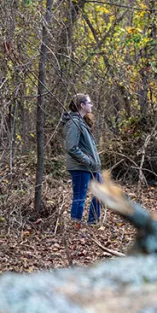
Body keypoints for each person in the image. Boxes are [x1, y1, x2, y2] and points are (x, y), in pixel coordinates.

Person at [61, 93, 102, 225]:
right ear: (82, 105)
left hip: (90, 167)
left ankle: (93, 222)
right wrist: (87, 160)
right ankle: (75, 226)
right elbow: (71, 147)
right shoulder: (74, 123)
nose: (91, 105)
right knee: (79, 197)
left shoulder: (82, 122)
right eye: (89, 103)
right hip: (80, 167)